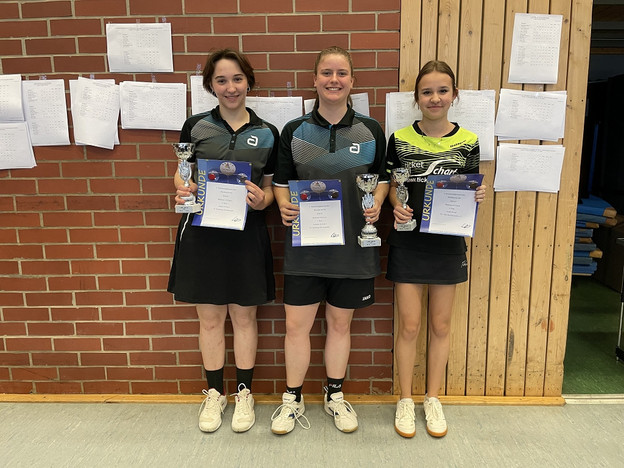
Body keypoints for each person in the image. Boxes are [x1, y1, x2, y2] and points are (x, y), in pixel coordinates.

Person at [270, 46, 389, 435]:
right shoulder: (294, 131)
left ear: (353, 80)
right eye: (326, 73)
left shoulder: (371, 130)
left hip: (353, 248)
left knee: (340, 325)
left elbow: (382, 180)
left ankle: (334, 395)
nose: (333, 80)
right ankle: (292, 398)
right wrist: (284, 206)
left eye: (341, 73)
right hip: (306, 248)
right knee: (295, 327)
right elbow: (281, 184)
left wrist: (377, 203)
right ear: (315, 79)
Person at [167, 49, 278, 434]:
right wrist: (184, 188)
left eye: (237, 79)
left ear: (248, 82)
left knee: (245, 317)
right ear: (210, 86)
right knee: (210, 318)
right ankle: (215, 394)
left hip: (247, 235)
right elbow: (181, 174)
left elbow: (270, 190)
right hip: (203, 235)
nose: (230, 88)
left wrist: (262, 200)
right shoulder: (195, 126)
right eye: (221, 80)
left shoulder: (268, 132)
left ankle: (244, 394)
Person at [384, 60, 486, 439]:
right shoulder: (399, 139)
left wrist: (477, 195)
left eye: (443, 90)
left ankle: (433, 398)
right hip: (409, 242)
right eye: (427, 91)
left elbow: (469, 188)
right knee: (410, 326)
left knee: (440, 326)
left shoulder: (469, 141)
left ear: (454, 95)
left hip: (447, 244)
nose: (435, 98)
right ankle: (405, 399)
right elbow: (393, 186)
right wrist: (397, 204)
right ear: (416, 98)